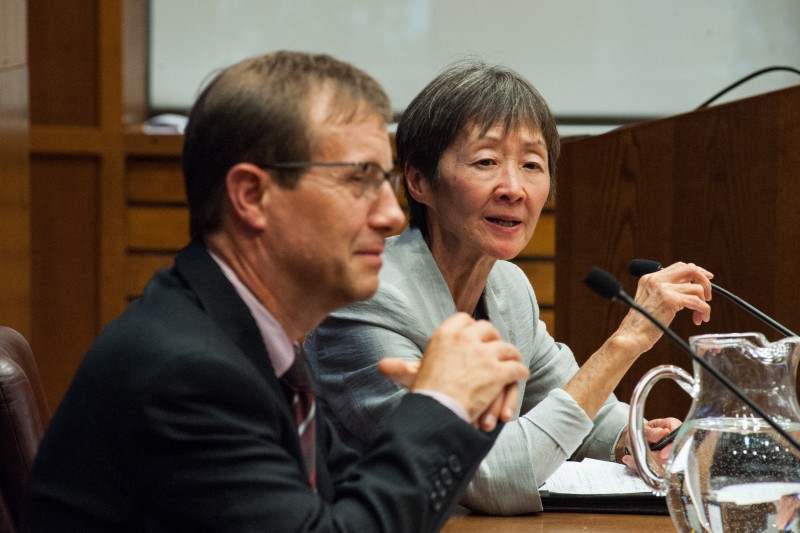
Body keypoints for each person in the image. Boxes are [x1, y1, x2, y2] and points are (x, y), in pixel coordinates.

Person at [21, 52, 530, 532]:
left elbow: (353, 501)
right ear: (252, 196)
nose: (392, 214)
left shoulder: (250, 344)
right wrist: (440, 406)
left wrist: (461, 410)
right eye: (360, 180)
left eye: (386, 181)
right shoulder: (185, 372)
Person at [304, 59, 714, 515]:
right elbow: (490, 476)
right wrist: (627, 341)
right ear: (419, 181)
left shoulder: (507, 286)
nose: (514, 188)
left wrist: (636, 437)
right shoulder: (368, 298)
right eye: (486, 162)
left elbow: (578, 404)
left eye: (533, 164)